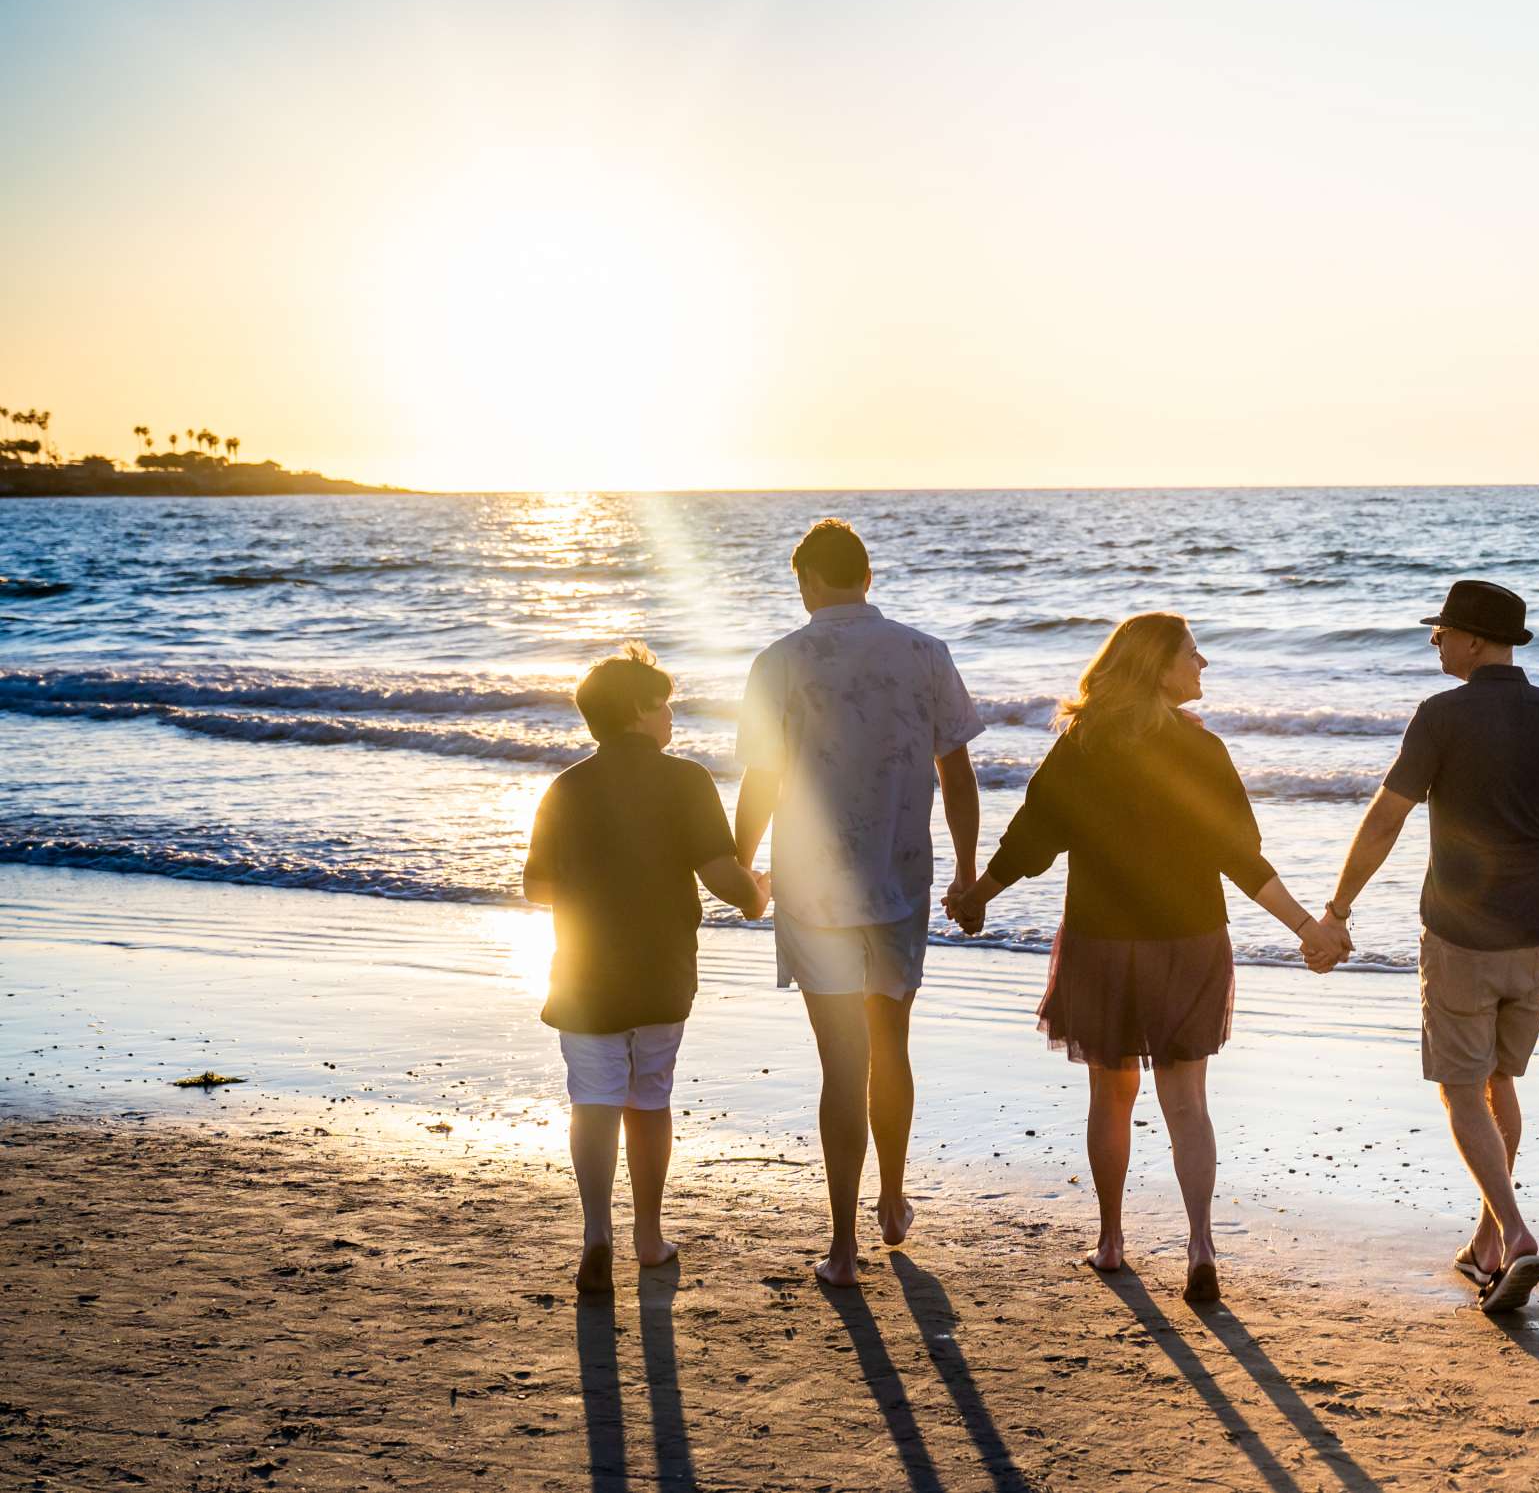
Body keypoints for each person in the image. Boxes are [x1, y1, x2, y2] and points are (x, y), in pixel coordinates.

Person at [943, 613, 1342, 1303]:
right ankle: (1199, 1244)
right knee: (1186, 1100)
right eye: (1193, 653)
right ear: (1158, 667)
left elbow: (1031, 839)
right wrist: (1307, 926)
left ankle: (1111, 1240)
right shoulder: (1203, 752)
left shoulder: (1082, 746)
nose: (1204, 663)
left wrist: (979, 893)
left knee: (1111, 1094)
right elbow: (1241, 859)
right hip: (1188, 940)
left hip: (1101, 941)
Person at [1318, 580, 1539, 1314]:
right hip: (1534, 928)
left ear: (1475, 640)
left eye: (1443, 631)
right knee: (1499, 1082)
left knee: (1461, 1087)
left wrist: (1338, 906)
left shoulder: (1441, 716)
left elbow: (1386, 819)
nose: (1434, 642)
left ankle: (1515, 1234)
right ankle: (1487, 1244)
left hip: (1459, 928)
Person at [733, 519, 985, 1288]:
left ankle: (842, 1248)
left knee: (841, 1065)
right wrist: (968, 875)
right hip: (900, 879)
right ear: (868, 577)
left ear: (806, 581)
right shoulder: (924, 653)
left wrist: (742, 870)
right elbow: (958, 777)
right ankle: (895, 1200)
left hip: (813, 888)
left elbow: (762, 783)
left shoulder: (778, 662)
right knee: (892, 1046)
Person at [524, 642, 767, 1298]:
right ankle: (649, 1236)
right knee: (650, 1098)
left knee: (593, 1100)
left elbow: (535, 888)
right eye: (664, 704)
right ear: (637, 710)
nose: (671, 717)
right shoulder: (684, 780)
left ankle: (597, 1232)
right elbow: (724, 879)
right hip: (661, 971)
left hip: (583, 975)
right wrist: (757, 895)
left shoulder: (565, 787)